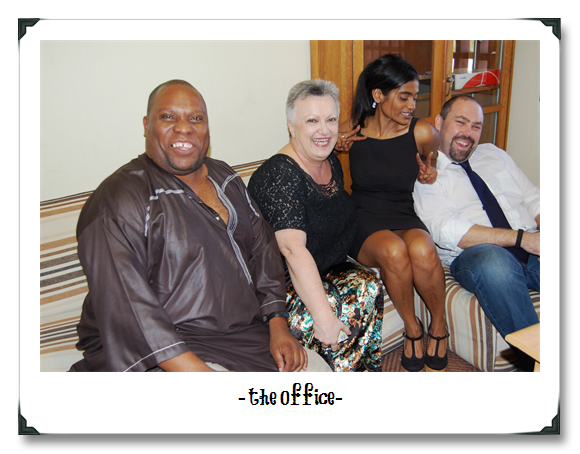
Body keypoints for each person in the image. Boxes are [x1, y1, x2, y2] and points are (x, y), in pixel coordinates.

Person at [69, 79, 332, 372]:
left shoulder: (225, 177)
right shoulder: (118, 200)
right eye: (168, 117)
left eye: (196, 118)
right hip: (159, 350)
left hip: (237, 337)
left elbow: (264, 252)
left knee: (318, 372)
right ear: (146, 125)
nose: (184, 128)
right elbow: (128, 309)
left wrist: (278, 325)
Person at [248, 79, 384, 372]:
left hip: (324, 267)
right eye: (312, 121)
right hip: (280, 287)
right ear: (291, 127)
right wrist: (324, 318)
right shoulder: (280, 176)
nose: (324, 130)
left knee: (369, 284)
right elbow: (292, 251)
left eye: (331, 120)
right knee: (332, 309)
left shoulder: (329, 160)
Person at [336, 54, 448, 372]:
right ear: (378, 95)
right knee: (394, 251)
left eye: (415, 97)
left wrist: (430, 175)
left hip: (403, 211)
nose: (412, 105)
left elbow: (433, 167)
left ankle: (439, 325)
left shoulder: (423, 132)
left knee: (423, 248)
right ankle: (413, 329)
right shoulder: (352, 129)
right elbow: (312, 151)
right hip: (364, 217)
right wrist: (334, 146)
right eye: (404, 97)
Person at [413, 95, 540, 371]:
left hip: (532, 247)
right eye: (460, 122)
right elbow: (447, 230)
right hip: (478, 256)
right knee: (493, 263)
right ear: (439, 122)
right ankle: (538, 365)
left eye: (476, 126)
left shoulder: (494, 154)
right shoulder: (427, 175)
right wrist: (522, 239)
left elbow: (533, 198)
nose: (468, 133)